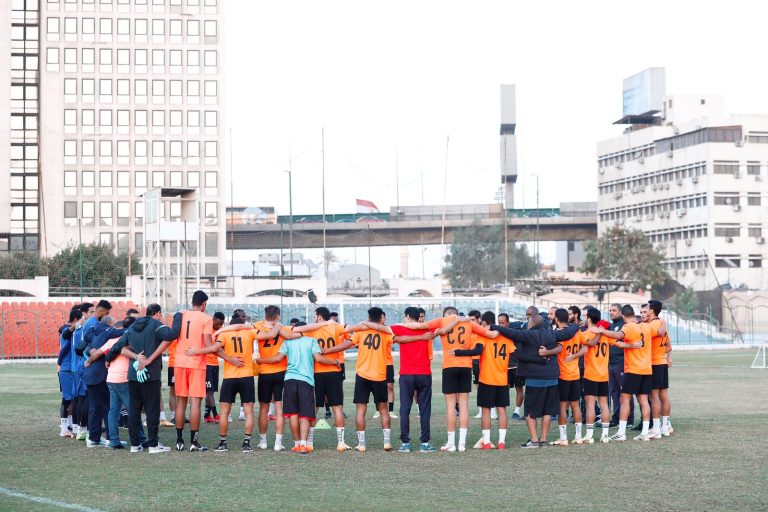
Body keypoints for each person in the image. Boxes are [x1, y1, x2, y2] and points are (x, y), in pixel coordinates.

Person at [403, 307, 491, 452]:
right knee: (463, 404)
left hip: (450, 366)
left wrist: (401, 325)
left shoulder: (443, 321)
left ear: (446, 314)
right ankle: (462, 444)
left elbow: (419, 325)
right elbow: (489, 333)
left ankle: (451, 443)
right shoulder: (468, 323)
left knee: (451, 405)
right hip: (465, 366)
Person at [491, 306, 577, 448]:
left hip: (534, 379)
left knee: (530, 412)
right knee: (547, 411)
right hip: (552, 378)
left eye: (529, 321)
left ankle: (534, 440)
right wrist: (575, 325)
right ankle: (543, 439)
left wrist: (493, 326)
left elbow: (509, 332)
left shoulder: (528, 335)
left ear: (533, 324)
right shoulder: (552, 334)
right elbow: (569, 332)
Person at [106, 304, 182, 453]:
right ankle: (153, 445)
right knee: (152, 410)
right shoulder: (156, 325)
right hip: (150, 375)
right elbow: (172, 334)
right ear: (157, 313)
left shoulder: (132, 327)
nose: (160, 317)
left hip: (133, 375)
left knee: (134, 410)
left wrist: (108, 357)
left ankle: (135, 444)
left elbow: (120, 345)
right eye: (160, 314)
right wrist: (178, 316)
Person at [256, 321, 341, 454]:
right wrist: (335, 362)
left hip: (289, 380)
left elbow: (278, 358)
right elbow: (319, 359)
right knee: (305, 415)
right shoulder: (312, 341)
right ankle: (303, 443)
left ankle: (296, 444)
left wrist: (262, 360)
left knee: (293, 414)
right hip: (306, 381)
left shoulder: (287, 342)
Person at [323, 307, 394, 452]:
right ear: (381, 318)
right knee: (383, 409)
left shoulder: (361, 331)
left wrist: (327, 350)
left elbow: (346, 345)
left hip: (362, 375)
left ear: (368, 318)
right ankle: (387, 443)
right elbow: (396, 337)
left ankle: (361, 445)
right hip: (380, 375)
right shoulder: (386, 332)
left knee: (360, 410)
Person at [212, 316, 279, 453]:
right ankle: (246, 443)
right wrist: (277, 324)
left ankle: (223, 443)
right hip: (246, 376)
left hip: (229, 377)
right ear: (243, 324)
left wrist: (229, 358)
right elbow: (270, 335)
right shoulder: (250, 332)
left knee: (224, 412)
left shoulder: (224, 333)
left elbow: (214, 349)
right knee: (249, 412)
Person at [452, 311, 516, 450]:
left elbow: (477, 351)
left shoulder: (483, 334)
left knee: (486, 411)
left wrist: (458, 352)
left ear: (484, 322)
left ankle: (486, 442)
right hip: (502, 379)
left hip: (487, 378)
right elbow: (513, 354)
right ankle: (501, 442)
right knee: (502, 410)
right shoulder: (506, 336)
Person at [590, 305, 652, 442]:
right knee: (643, 399)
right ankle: (645, 432)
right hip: (646, 369)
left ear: (623, 316)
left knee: (624, 399)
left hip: (634, 368)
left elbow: (618, 335)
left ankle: (621, 433)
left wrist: (602, 331)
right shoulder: (646, 327)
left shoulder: (628, 327)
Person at [84, 316, 142, 450]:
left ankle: (113, 440)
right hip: (123, 379)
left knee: (112, 411)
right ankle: (139, 440)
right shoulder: (129, 339)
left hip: (111, 379)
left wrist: (88, 361)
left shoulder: (110, 340)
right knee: (132, 410)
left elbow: (97, 353)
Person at [171, 290, 216, 451]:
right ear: (204, 304)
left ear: (192, 303)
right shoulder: (206, 318)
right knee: (195, 403)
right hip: (196, 363)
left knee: (181, 402)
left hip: (179, 362)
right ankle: (194, 442)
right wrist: (217, 346)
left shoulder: (181, 315)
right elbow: (208, 344)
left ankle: (179, 440)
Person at [388, 307, 437, 453]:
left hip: (407, 374)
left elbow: (384, 330)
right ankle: (424, 443)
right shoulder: (428, 328)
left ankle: (405, 443)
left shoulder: (399, 328)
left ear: (408, 316)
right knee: (424, 409)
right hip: (424, 373)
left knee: (405, 408)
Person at [82, 315, 125, 447]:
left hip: (90, 375)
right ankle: (111, 438)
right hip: (100, 374)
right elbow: (124, 331)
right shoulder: (108, 333)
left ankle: (94, 438)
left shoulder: (94, 332)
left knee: (94, 408)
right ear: (109, 325)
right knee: (107, 407)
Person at [550, 308, 588, 446]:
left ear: (557, 319)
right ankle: (578, 436)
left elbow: (558, 349)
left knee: (562, 407)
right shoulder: (576, 332)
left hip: (563, 375)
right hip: (575, 374)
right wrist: (575, 355)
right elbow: (586, 348)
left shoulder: (559, 334)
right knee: (575, 405)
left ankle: (563, 437)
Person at [579, 307, 613, 444]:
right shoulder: (605, 334)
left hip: (591, 375)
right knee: (604, 405)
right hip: (604, 375)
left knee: (590, 406)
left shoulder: (586, 333)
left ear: (588, 318)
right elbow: (618, 342)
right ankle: (605, 435)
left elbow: (588, 345)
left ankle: (589, 435)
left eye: (584, 316)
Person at [646, 300, 673, 438]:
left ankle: (656, 428)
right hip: (662, 363)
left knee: (654, 396)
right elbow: (669, 346)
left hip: (654, 364)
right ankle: (666, 425)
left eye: (646, 309)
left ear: (651, 311)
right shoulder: (662, 324)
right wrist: (666, 356)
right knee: (663, 396)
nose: (645, 311)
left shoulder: (652, 325)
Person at [56, 307, 82, 438]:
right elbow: (65, 346)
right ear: (76, 320)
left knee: (72, 398)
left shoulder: (74, 331)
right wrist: (59, 363)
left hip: (71, 369)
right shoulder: (67, 330)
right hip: (66, 369)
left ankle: (71, 424)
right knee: (67, 399)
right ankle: (64, 428)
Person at [607, 303, 633, 427]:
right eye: (610, 310)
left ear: (620, 312)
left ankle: (629, 419)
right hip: (611, 364)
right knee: (614, 392)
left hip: (621, 362)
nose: (611, 312)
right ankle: (617, 417)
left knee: (625, 392)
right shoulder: (612, 326)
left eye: (614, 310)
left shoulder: (625, 325)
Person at [499, 313, 524, 421]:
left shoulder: (515, 333)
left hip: (517, 366)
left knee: (519, 389)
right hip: (504, 367)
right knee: (504, 389)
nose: (501, 325)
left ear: (508, 323)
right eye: (499, 322)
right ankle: (501, 411)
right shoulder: (497, 333)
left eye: (503, 322)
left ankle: (517, 411)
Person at [204, 312, 226, 423]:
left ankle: (206, 415)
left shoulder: (220, 333)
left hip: (215, 364)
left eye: (221, 324)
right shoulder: (206, 332)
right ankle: (216, 414)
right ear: (213, 319)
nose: (219, 326)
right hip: (206, 364)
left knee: (211, 391)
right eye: (218, 324)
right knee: (209, 391)